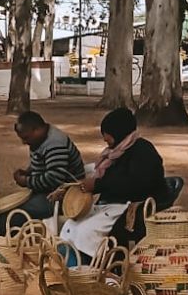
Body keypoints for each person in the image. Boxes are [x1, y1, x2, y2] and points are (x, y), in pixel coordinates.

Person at [58, 107, 168, 255]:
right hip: (113, 204)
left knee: (86, 231)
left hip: (131, 205)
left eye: (107, 135)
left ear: (118, 132)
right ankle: (70, 266)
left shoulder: (143, 151)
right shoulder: (117, 152)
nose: (105, 139)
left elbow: (134, 184)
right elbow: (109, 177)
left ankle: (93, 268)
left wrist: (97, 185)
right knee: (71, 225)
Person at [10, 110, 85, 220]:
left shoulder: (55, 143)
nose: (24, 142)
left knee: (17, 215)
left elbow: (54, 179)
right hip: (49, 190)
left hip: (64, 195)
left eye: (26, 138)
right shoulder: (39, 139)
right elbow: (43, 162)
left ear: (37, 130)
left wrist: (26, 181)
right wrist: (29, 171)